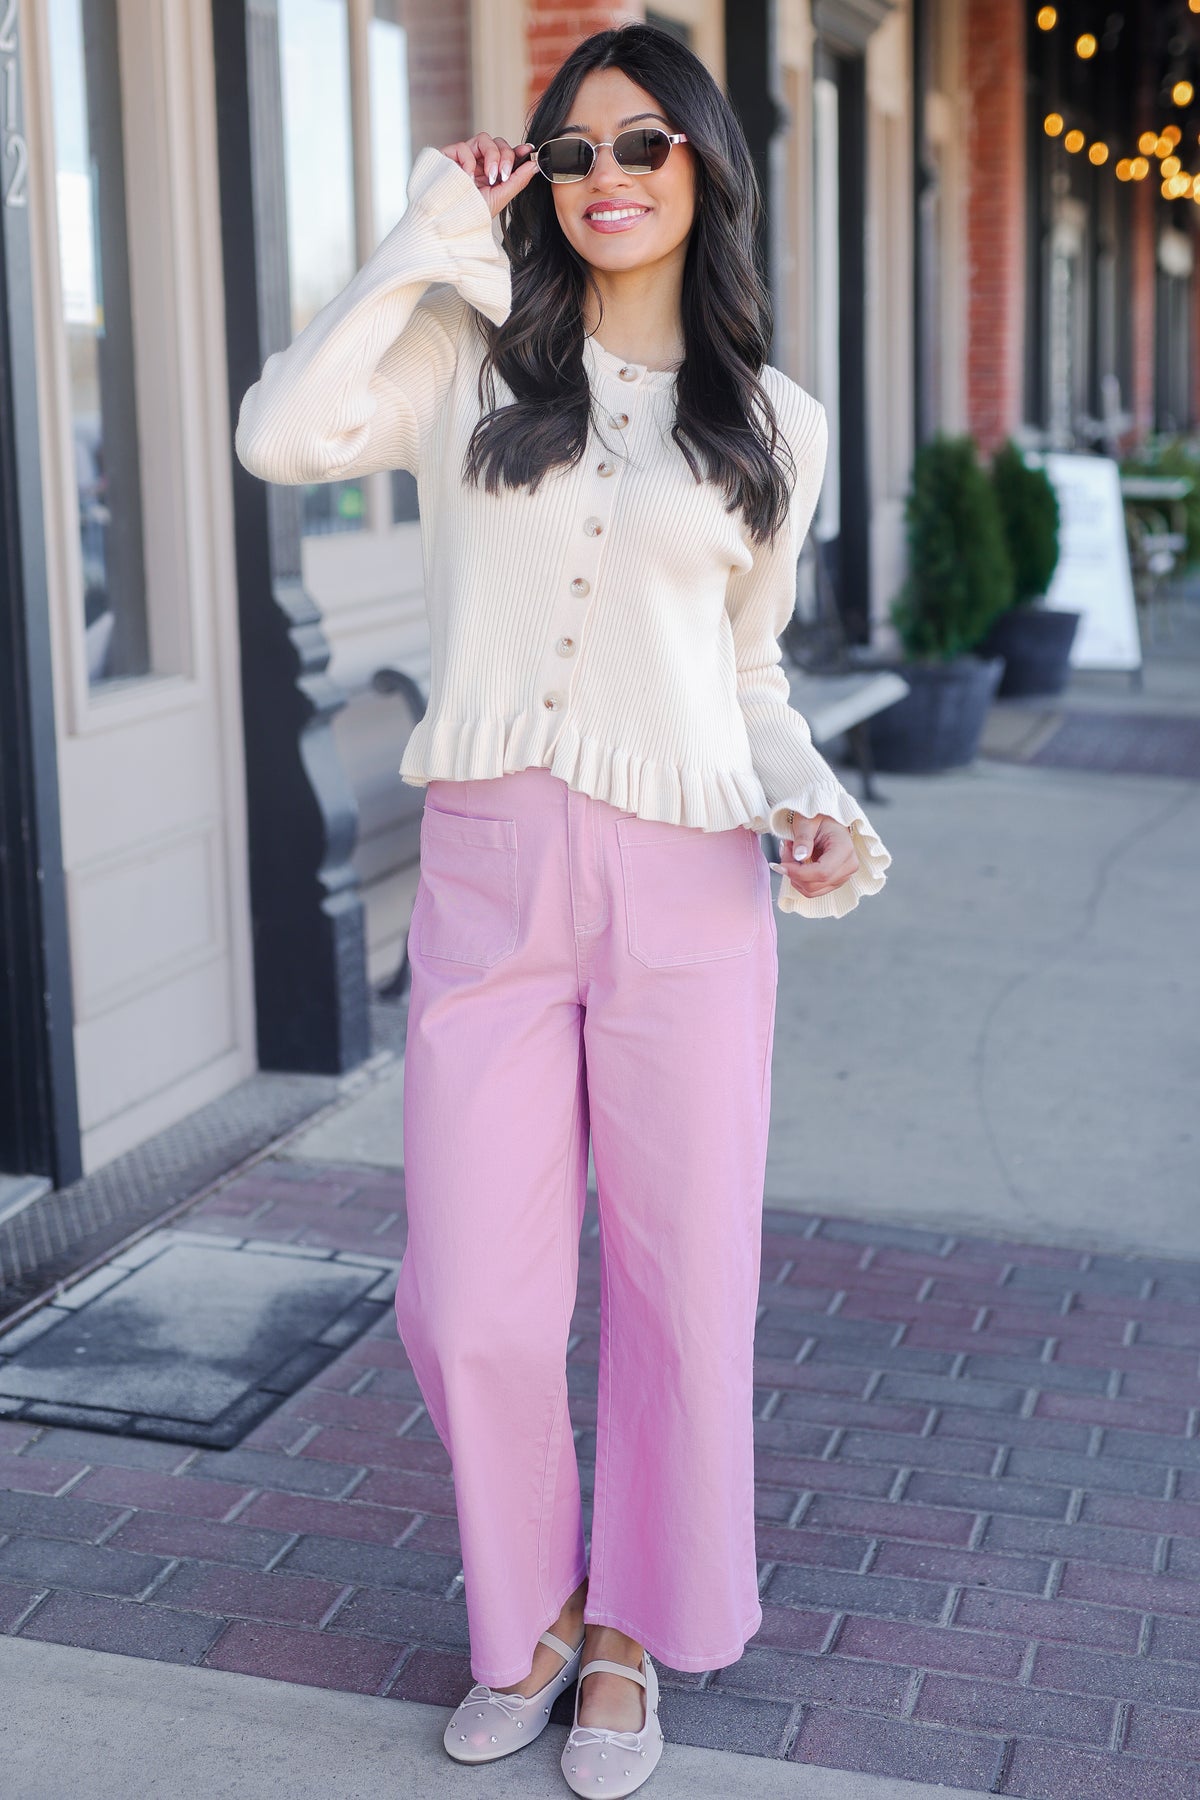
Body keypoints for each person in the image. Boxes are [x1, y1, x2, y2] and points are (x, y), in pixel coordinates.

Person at [235, 22, 890, 1795]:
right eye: (576, 149)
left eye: (644, 148)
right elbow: (280, 434)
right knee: (471, 1300)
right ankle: (521, 1606)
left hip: (688, 884)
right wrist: (415, 240)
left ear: (704, 172)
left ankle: (628, 1634)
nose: (607, 179)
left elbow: (749, 673)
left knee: (684, 1287)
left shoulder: (776, 422)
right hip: (491, 869)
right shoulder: (464, 354)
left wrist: (811, 805)